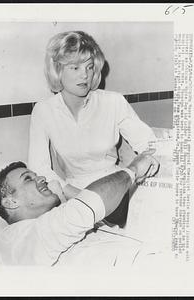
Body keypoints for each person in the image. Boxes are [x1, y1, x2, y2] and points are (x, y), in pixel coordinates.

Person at [28, 31, 159, 203]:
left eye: (89, 67)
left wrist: (145, 166)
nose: (84, 75)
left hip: (118, 186)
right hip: (73, 194)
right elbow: (39, 167)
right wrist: (80, 198)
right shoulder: (43, 110)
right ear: (57, 70)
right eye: (75, 68)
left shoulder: (114, 101)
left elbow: (148, 143)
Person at [0, 150, 158, 266]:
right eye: (28, 179)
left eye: (35, 175)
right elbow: (84, 208)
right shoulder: (11, 240)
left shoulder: (56, 217)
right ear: (10, 202)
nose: (40, 178)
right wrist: (133, 170)